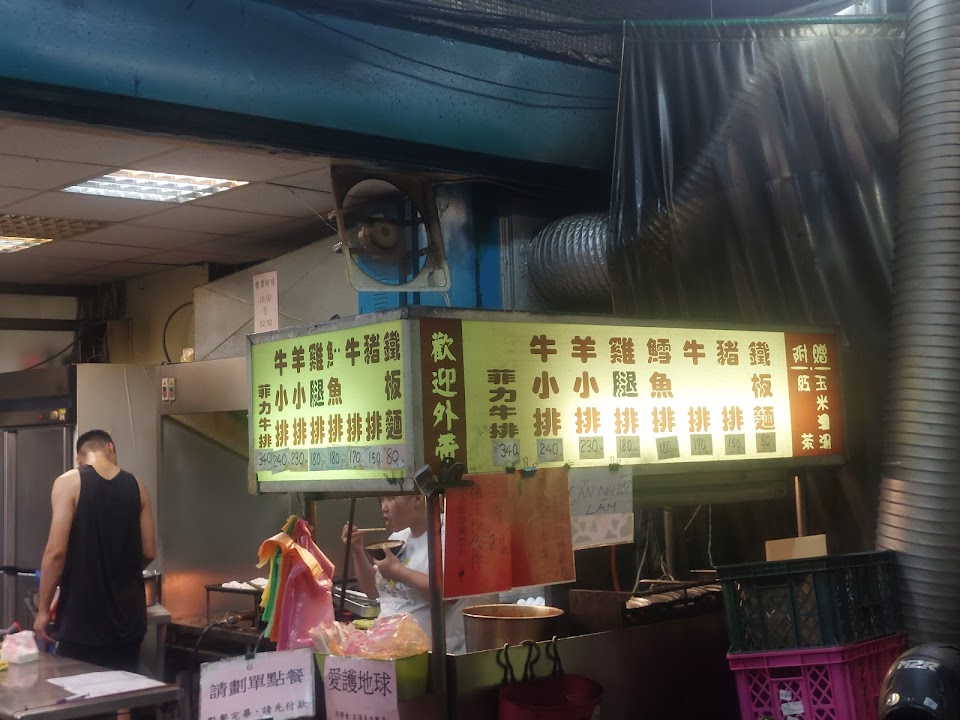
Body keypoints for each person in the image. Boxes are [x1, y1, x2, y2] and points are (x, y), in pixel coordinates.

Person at [33, 429, 156, 673]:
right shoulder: (138, 487)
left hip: (81, 622)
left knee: (78, 691)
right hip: (128, 622)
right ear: (111, 448)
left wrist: (44, 611)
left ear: (79, 458)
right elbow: (149, 551)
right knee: (122, 691)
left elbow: (56, 553)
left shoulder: (68, 483)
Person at [342, 495, 492, 654]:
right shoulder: (398, 537)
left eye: (390, 498)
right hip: (389, 650)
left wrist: (398, 571)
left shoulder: (448, 532)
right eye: (382, 500)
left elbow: (450, 592)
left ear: (418, 499)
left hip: (431, 654)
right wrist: (357, 551)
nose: (383, 507)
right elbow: (373, 592)